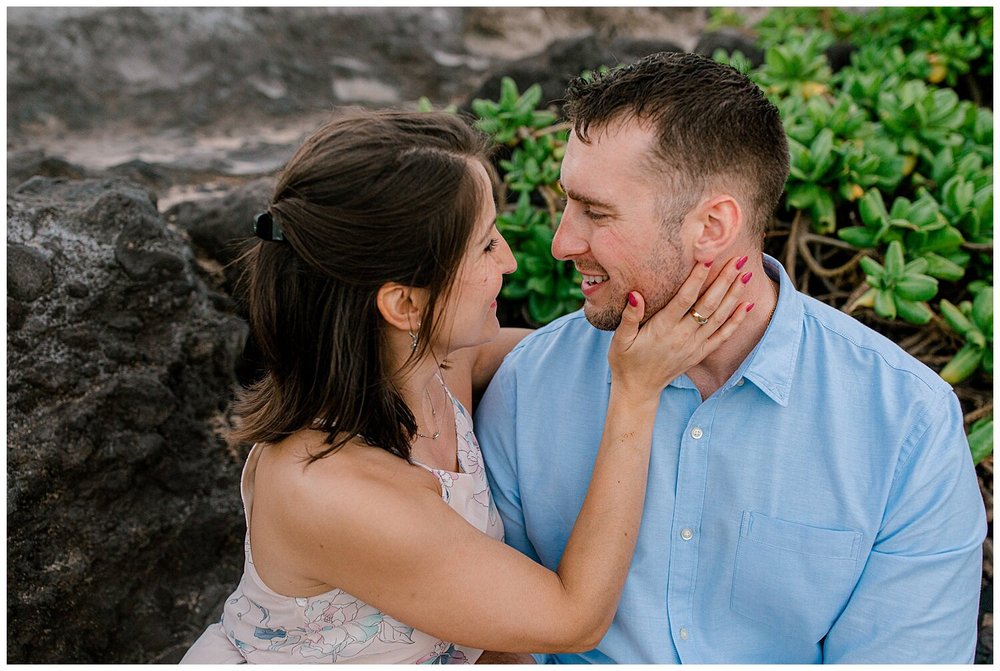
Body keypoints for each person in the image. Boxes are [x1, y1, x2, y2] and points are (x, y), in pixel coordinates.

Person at [181, 109, 754, 664]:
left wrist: (676, 309)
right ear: (405, 303)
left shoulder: (438, 366)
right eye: (484, 245)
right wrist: (636, 395)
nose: (509, 259)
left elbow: (564, 352)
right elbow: (574, 620)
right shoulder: (331, 489)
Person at [476, 51, 987, 664]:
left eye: (597, 212)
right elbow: (499, 645)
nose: (562, 243)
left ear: (713, 225)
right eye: (568, 203)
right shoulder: (529, 385)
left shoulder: (906, 420)